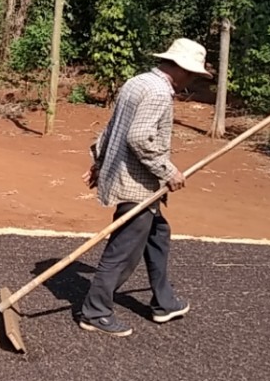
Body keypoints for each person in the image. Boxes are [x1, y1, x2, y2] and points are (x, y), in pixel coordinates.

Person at [77, 38, 212, 337]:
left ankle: (164, 302)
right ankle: (95, 311)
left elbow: (112, 127)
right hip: (136, 185)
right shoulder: (159, 93)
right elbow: (138, 137)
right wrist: (168, 171)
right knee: (123, 251)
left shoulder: (136, 83)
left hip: (125, 176)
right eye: (190, 74)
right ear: (178, 68)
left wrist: (99, 162)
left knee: (158, 235)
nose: (189, 81)